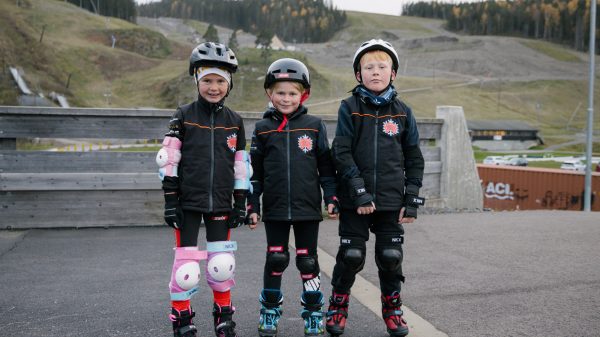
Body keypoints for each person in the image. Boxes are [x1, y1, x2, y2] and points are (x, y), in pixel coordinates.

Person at [325, 39, 425, 337]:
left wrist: (412, 199)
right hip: (355, 199)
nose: (376, 72)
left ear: (393, 73)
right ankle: (338, 304)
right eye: (369, 67)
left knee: (391, 256)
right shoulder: (350, 108)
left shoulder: (404, 112)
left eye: (383, 67)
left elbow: (414, 158)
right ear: (359, 74)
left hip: (391, 200)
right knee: (352, 255)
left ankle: (392, 308)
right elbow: (340, 152)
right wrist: (358, 191)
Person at [156, 42, 251, 337]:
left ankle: (224, 319)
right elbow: (169, 161)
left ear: (229, 83)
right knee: (186, 270)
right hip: (187, 202)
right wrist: (171, 201)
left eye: (220, 81)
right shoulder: (183, 115)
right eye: (207, 80)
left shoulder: (235, 121)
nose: (213, 87)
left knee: (222, 266)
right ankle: (182, 318)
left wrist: (240, 202)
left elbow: (240, 166)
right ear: (196, 80)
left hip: (222, 203)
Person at [246, 58, 338, 337]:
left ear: (304, 95)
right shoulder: (262, 128)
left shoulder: (314, 125)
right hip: (274, 208)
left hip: (308, 208)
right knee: (275, 259)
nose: (286, 98)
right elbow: (254, 173)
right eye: (280, 92)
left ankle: (313, 312)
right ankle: (269, 312)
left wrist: (331, 197)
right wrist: (252, 205)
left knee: (307, 261)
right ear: (269, 94)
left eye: (292, 93)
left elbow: (326, 167)